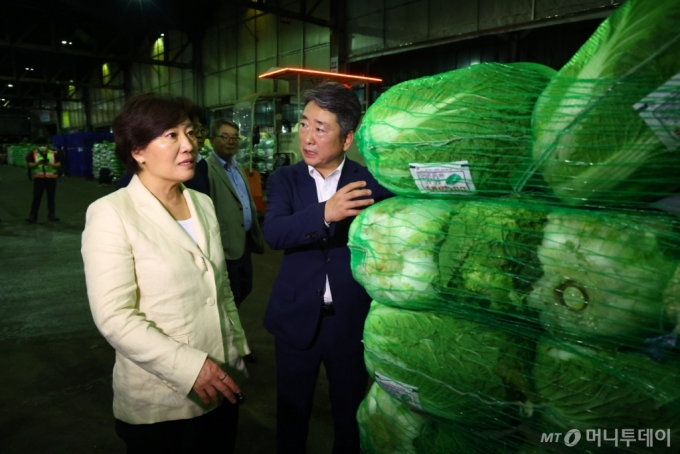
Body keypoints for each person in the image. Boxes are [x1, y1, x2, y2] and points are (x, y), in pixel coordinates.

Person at [81, 93, 250, 453]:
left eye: (189, 133)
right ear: (138, 151)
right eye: (171, 135)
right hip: (162, 400)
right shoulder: (112, 213)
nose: (188, 145)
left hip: (222, 382)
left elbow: (219, 287)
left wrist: (235, 350)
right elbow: (114, 317)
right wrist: (191, 368)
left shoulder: (200, 203)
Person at [263, 81, 393, 454]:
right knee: (292, 414)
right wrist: (325, 213)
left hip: (349, 321)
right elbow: (274, 232)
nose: (307, 137)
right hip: (295, 319)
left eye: (321, 129)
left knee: (349, 414)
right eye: (304, 124)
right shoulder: (284, 180)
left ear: (347, 138)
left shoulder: (369, 184)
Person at [186, 118, 265, 310]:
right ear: (212, 140)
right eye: (225, 137)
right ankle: (228, 332)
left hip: (243, 241)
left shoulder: (237, 167)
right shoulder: (206, 169)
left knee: (246, 287)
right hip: (225, 245)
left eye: (235, 138)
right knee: (231, 294)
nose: (231, 141)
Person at [26, 137, 61, 222]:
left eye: (44, 144)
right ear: (37, 145)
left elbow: (58, 164)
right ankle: (33, 216)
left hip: (51, 179)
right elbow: (30, 165)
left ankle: (51, 215)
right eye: (40, 145)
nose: (42, 146)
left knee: (51, 198)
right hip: (39, 179)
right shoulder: (32, 154)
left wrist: (49, 164)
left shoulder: (54, 153)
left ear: (47, 145)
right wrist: (38, 163)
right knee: (37, 197)